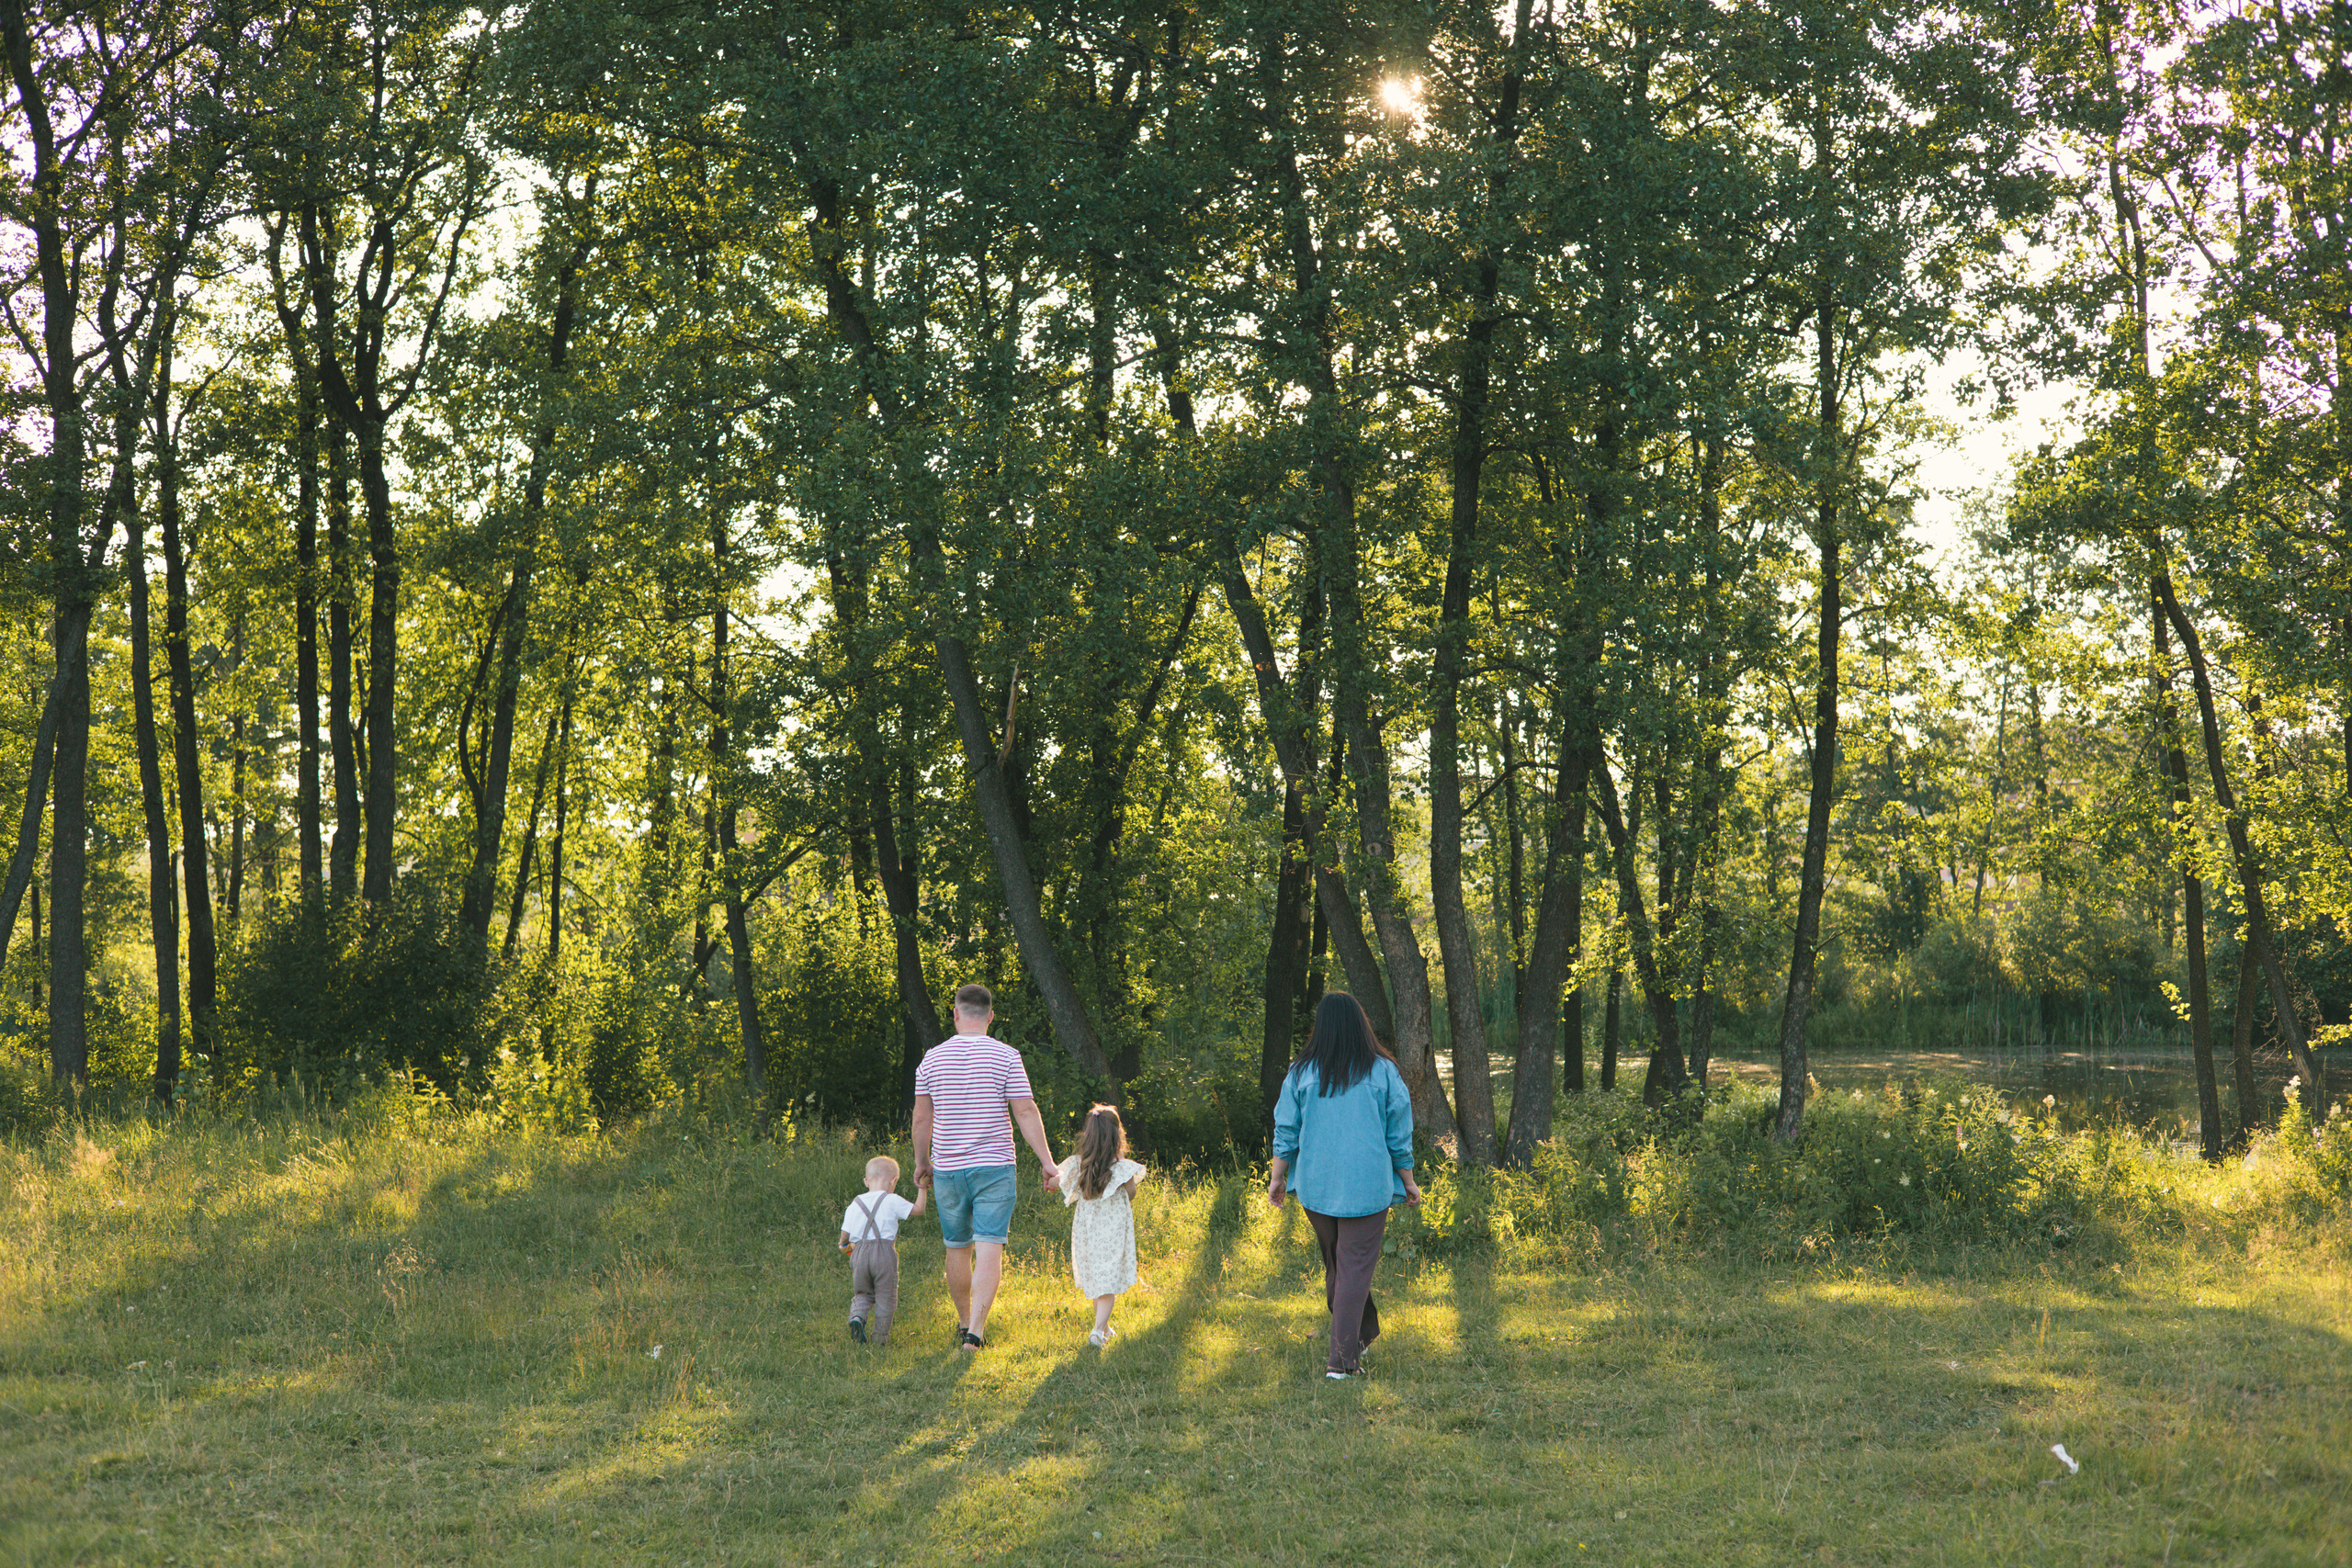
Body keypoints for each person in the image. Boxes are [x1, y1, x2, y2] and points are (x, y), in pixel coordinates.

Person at [1267, 991, 1423, 1379]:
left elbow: (1286, 1130)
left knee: (1341, 1266)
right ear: (1360, 1024)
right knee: (1351, 1270)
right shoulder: (1383, 1071)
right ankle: (1341, 1363)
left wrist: (1277, 1177)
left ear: (1320, 1028)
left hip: (1316, 1188)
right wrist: (1408, 1179)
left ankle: (1362, 1334)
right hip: (1366, 1188)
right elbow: (1398, 1133)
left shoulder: (1301, 1072)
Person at [912, 983, 1061, 1350]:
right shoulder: (1007, 1056)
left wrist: (922, 1162)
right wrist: (1047, 1162)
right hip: (995, 1167)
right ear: (991, 1017)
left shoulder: (931, 1059)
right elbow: (1025, 1110)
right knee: (989, 1245)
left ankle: (964, 1322)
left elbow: (920, 1119)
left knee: (957, 1246)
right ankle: (977, 1331)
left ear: (956, 1014)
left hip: (947, 1169)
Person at [1056, 1103, 1146, 1347]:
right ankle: (1096, 1331)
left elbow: (1058, 1179)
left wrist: (1050, 1179)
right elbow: (1132, 1192)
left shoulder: (1080, 1165)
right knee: (1107, 1282)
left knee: (1098, 1277)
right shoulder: (1121, 1168)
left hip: (1088, 1231)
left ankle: (1104, 1327)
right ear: (1117, 1137)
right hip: (1112, 1231)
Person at [840, 1155, 924, 1346]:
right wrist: (922, 1187)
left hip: (859, 1253)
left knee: (863, 1293)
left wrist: (849, 1253)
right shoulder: (892, 1199)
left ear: (866, 1181)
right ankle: (880, 1337)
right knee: (886, 1296)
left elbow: (844, 1238)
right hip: (884, 1254)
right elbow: (919, 1210)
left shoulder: (855, 1203)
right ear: (894, 1181)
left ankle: (857, 1318)